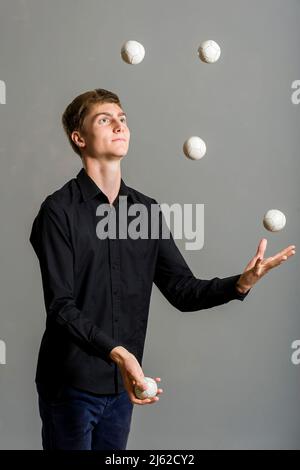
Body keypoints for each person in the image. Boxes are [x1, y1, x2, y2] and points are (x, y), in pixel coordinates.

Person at [29, 88, 296, 450]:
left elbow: (182, 291)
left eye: (122, 118)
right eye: (104, 119)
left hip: (123, 387)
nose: (119, 125)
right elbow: (61, 307)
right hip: (71, 385)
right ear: (79, 138)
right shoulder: (58, 211)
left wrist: (240, 284)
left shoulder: (146, 211)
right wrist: (121, 354)